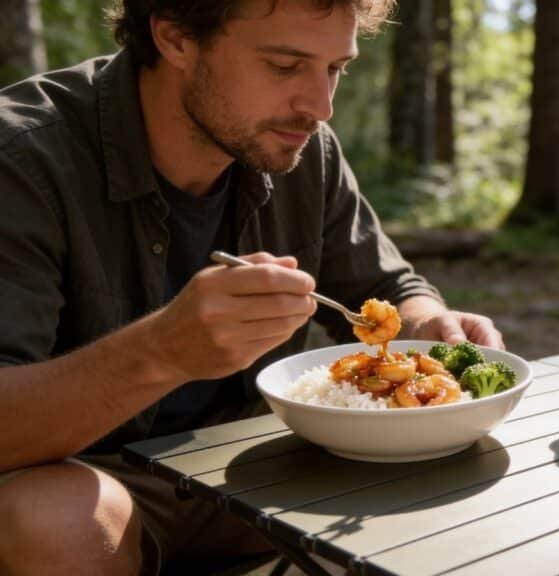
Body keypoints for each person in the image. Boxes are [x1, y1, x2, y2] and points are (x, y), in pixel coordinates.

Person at [0, 0, 503, 573]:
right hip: (90, 483)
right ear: (176, 37)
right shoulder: (23, 157)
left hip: (258, 470)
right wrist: (159, 352)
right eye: (286, 66)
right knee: (58, 520)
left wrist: (423, 322)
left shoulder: (301, 148)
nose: (320, 106)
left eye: (335, 68)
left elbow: (385, 284)